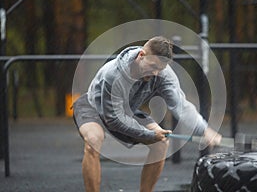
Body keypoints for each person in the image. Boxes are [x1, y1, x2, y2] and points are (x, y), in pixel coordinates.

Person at [73, 36, 222, 192]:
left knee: (161, 143)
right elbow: (114, 120)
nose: (156, 72)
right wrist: (149, 134)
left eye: (160, 69)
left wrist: (204, 129)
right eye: (152, 66)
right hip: (93, 107)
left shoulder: (163, 74)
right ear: (141, 55)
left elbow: (181, 106)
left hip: (126, 110)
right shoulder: (114, 74)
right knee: (93, 140)